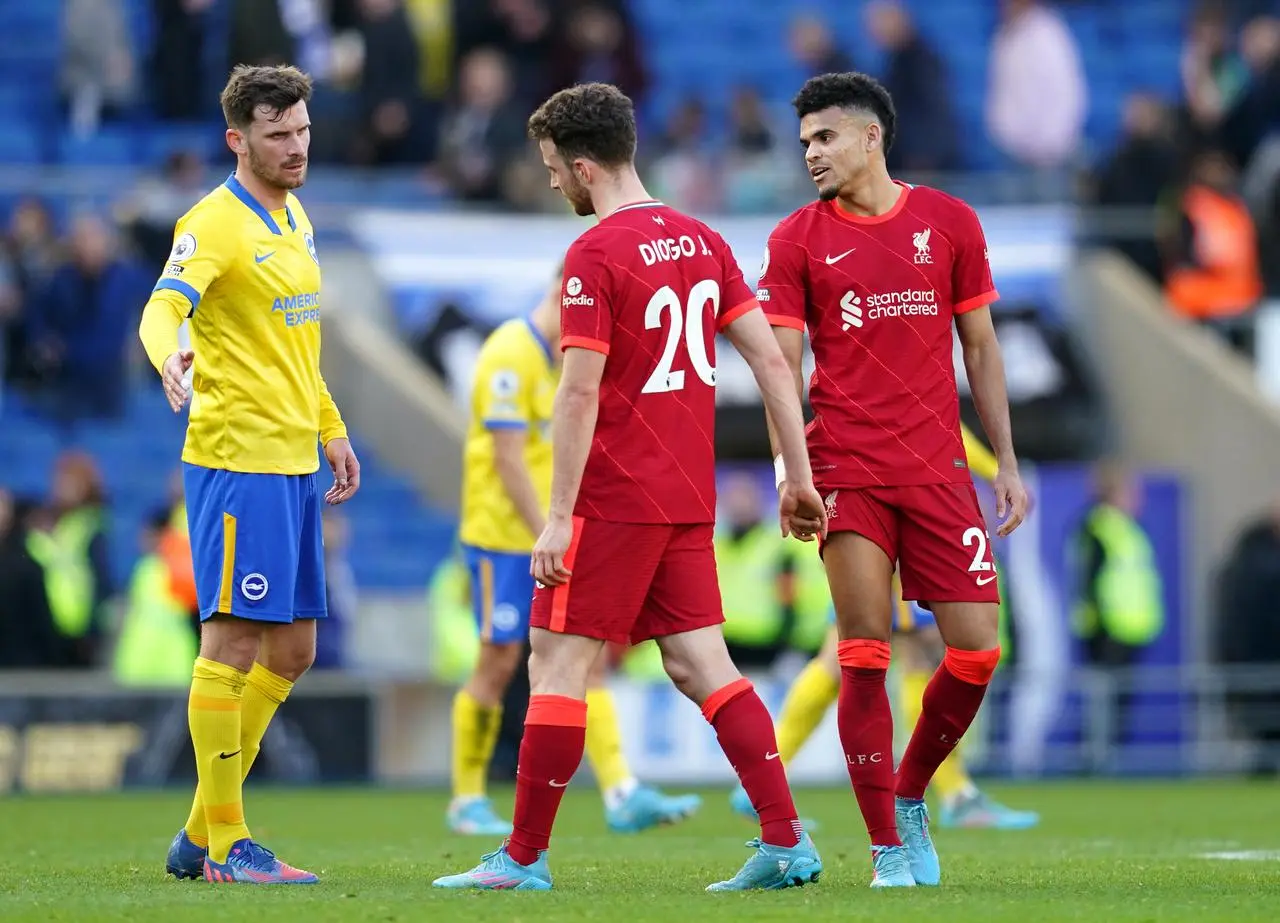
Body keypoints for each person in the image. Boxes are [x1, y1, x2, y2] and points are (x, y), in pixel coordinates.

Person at [434, 82, 827, 893]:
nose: (551, 183)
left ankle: (523, 857)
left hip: (614, 497)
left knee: (555, 665)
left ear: (584, 165)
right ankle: (786, 840)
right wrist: (797, 473)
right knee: (700, 665)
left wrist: (555, 519)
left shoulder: (595, 254)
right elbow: (773, 360)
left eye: (552, 168)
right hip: (686, 494)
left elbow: (577, 393)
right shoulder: (700, 239)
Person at [758, 72, 1029, 888]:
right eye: (803, 141)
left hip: (941, 470)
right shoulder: (796, 239)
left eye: (825, 137)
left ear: (871, 136)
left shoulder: (949, 222)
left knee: (977, 651)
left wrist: (1006, 460)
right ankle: (884, 846)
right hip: (846, 469)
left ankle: (910, 794)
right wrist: (790, 471)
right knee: (865, 654)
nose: (810, 153)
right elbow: (779, 366)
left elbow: (979, 347)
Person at [138, 64, 361, 886]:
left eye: (303, 129)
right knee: (231, 640)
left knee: (295, 649)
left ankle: (199, 831)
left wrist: (330, 426)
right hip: (238, 460)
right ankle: (229, 842)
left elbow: (294, 343)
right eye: (278, 134)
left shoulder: (294, 213)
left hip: (296, 458)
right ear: (238, 139)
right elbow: (162, 307)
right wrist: (173, 358)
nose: (297, 146)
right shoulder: (213, 224)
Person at [449, 260, 700, 835]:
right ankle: (466, 797)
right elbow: (508, 458)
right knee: (498, 661)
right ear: (565, 292)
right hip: (502, 539)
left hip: (548, 536)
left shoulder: (562, 356)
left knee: (583, 660)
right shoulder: (509, 354)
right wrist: (550, 530)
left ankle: (621, 791)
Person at [728, 424, 1039, 830]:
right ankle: (955, 795)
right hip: (893, 497)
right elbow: (937, 418)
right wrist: (994, 468)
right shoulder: (905, 384)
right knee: (911, 656)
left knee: (840, 657)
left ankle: (762, 781)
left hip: (861, 495)